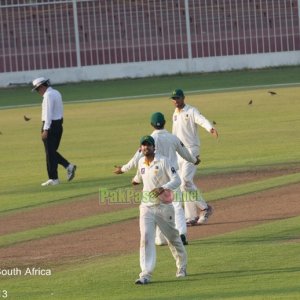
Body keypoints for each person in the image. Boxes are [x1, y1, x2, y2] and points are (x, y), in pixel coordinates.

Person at [114, 112, 200, 245]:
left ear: (151, 124)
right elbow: (185, 153)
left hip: (155, 180)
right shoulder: (172, 138)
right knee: (177, 206)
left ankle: (162, 238)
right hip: (172, 178)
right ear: (165, 122)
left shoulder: (149, 140)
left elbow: (137, 157)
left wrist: (123, 169)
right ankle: (181, 234)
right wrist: (194, 160)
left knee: (157, 209)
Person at [132, 135, 187, 284]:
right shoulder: (141, 162)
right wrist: (135, 180)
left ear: (154, 147)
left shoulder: (163, 161)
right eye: (143, 145)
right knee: (146, 238)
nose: (146, 147)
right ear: (141, 148)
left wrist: (163, 188)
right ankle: (145, 274)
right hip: (146, 207)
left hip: (164, 207)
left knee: (172, 238)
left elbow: (177, 180)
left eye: (148, 145)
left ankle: (181, 266)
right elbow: (138, 176)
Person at [170, 89, 218, 225]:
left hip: (191, 150)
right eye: (173, 98)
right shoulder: (175, 113)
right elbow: (175, 134)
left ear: (183, 98)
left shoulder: (191, 111)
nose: (175, 101)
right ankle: (190, 217)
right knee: (182, 184)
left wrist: (210, 128)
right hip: (179, 152)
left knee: (185, 181)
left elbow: (201, 120)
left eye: (178, 98)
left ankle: (205, 208)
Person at [31, 77, 76, 186]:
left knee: (50, 153)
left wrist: (46, 129)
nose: (38, 92)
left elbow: (48, 114)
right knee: (51, 152)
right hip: (58, 125)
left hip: (50, 126)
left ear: (41, 87)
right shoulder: (56, 92)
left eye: (37, 89)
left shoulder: (48, 95)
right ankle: (67, 167)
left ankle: (54, 178)